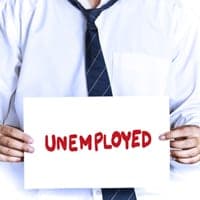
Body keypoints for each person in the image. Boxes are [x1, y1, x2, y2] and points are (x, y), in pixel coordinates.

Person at [0, 0, 200, 200]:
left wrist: (195, 136)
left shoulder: (174, 13)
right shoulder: (20, 9)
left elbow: (190, 105)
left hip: (154, 192)